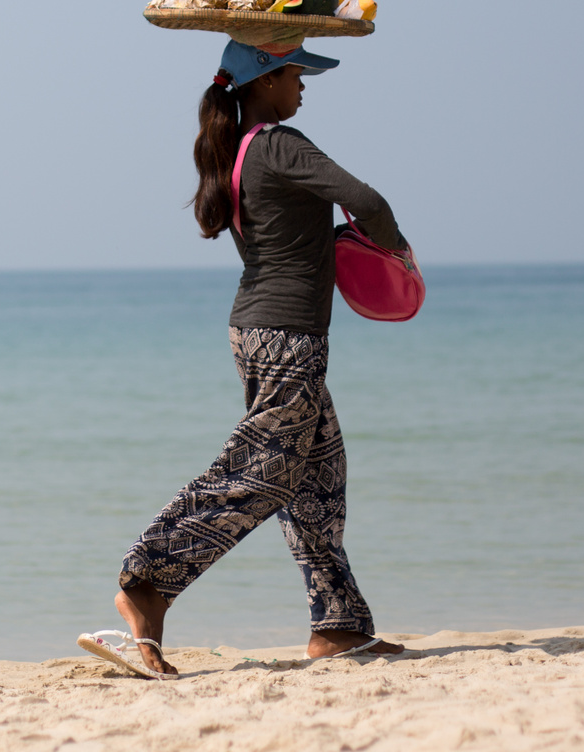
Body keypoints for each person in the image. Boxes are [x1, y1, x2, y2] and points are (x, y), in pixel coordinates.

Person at [81, 40, 407, 678]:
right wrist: (400, 257)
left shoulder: (236, 151)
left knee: (318, 478)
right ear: (264, 82)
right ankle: (147, 585)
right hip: (286, 335)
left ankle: (338, 626)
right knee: (260, 472)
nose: (304, 87)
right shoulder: (281, 144)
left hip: (265, 330)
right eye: (295, 74)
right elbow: (367, 202)